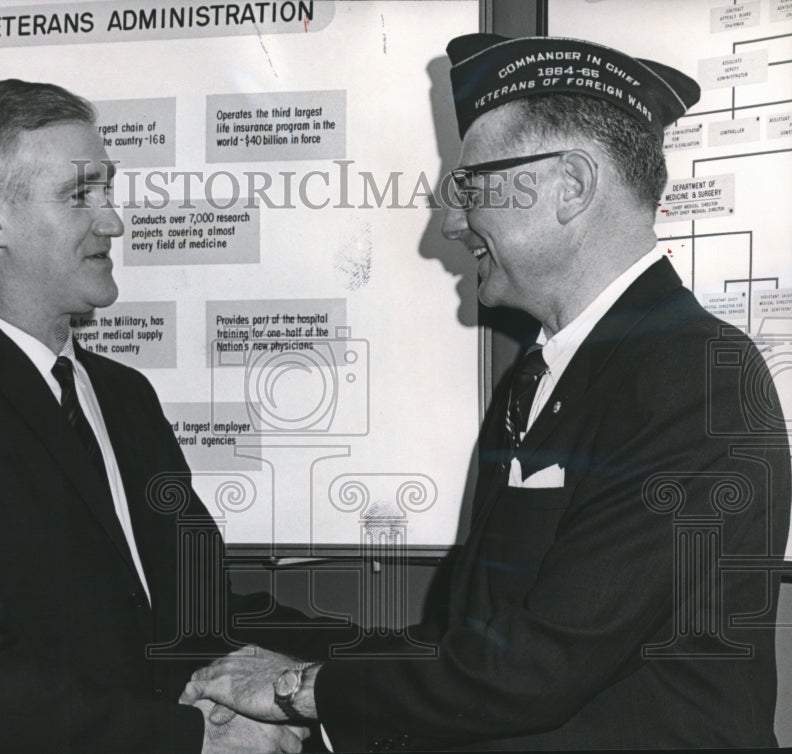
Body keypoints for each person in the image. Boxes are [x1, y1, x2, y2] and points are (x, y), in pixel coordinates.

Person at [182, 34, 792, 750]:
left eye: (471, 187)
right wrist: (292, 687)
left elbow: (538, 665)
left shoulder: (695, 377)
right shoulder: (543, 374)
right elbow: (470, 641)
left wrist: (298, 693)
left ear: (571, 185)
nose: (448, 220)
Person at [0, 79, 312, 754]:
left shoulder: (123, 395)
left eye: (107, 190)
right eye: (79, 193)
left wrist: (358, 672)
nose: (113, 220)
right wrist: (187, 738)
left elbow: (198, 614)